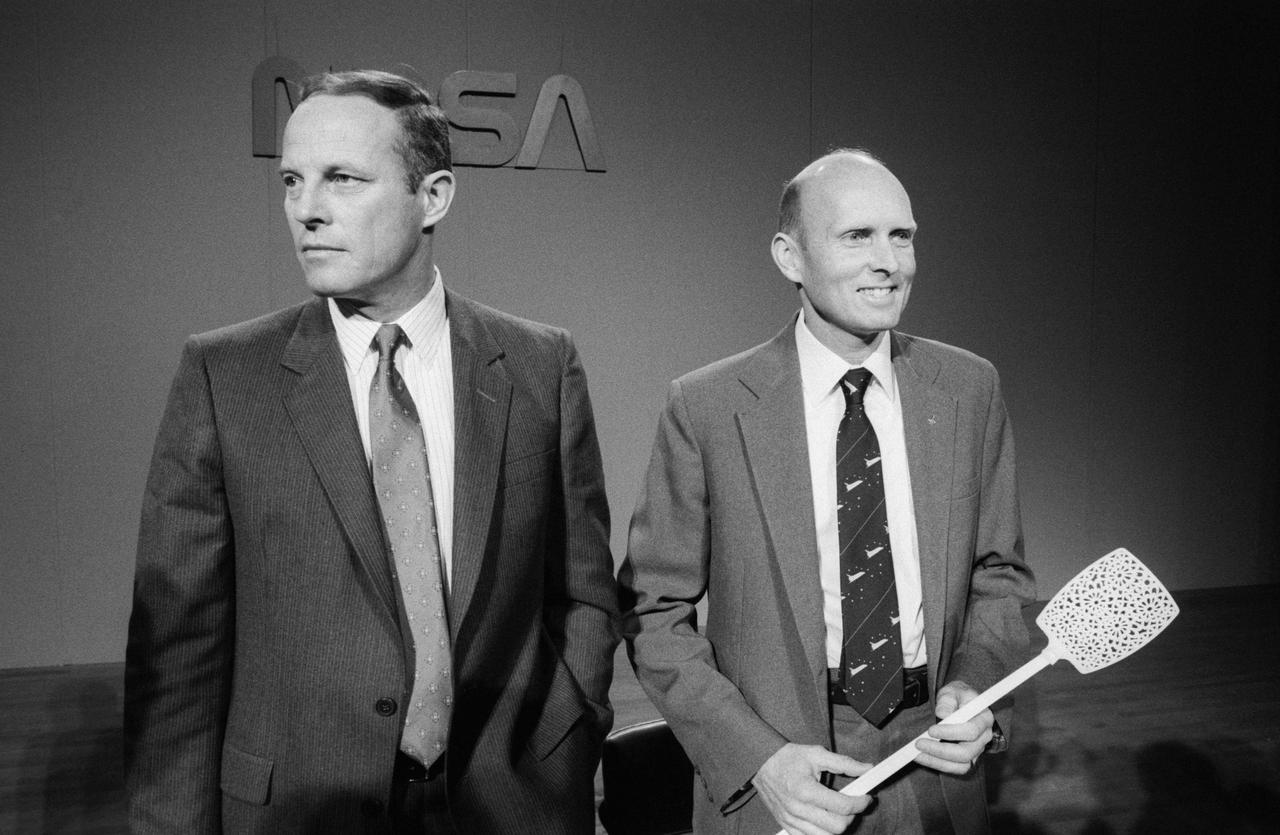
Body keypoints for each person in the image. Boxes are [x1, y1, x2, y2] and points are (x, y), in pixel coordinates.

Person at [124, 69, 618, 834]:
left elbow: (581, 589)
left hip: (508, 804)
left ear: (434, 196)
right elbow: (178, 654)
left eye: (342, 179)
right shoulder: (225, 377)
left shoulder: (539, 367)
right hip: (297, 811)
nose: (307, 210)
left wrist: (565, 740)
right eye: (292, 181)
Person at [619, 149, 1035, 834]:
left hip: (933, 762)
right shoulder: (709, 406)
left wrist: (977, 687)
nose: (890, 261)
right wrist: (757, 757)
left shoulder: (968, 389)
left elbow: (1000, 574)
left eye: (902, 236)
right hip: (780, 776)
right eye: (857, 236)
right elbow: (652, 609)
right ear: (790, 256)